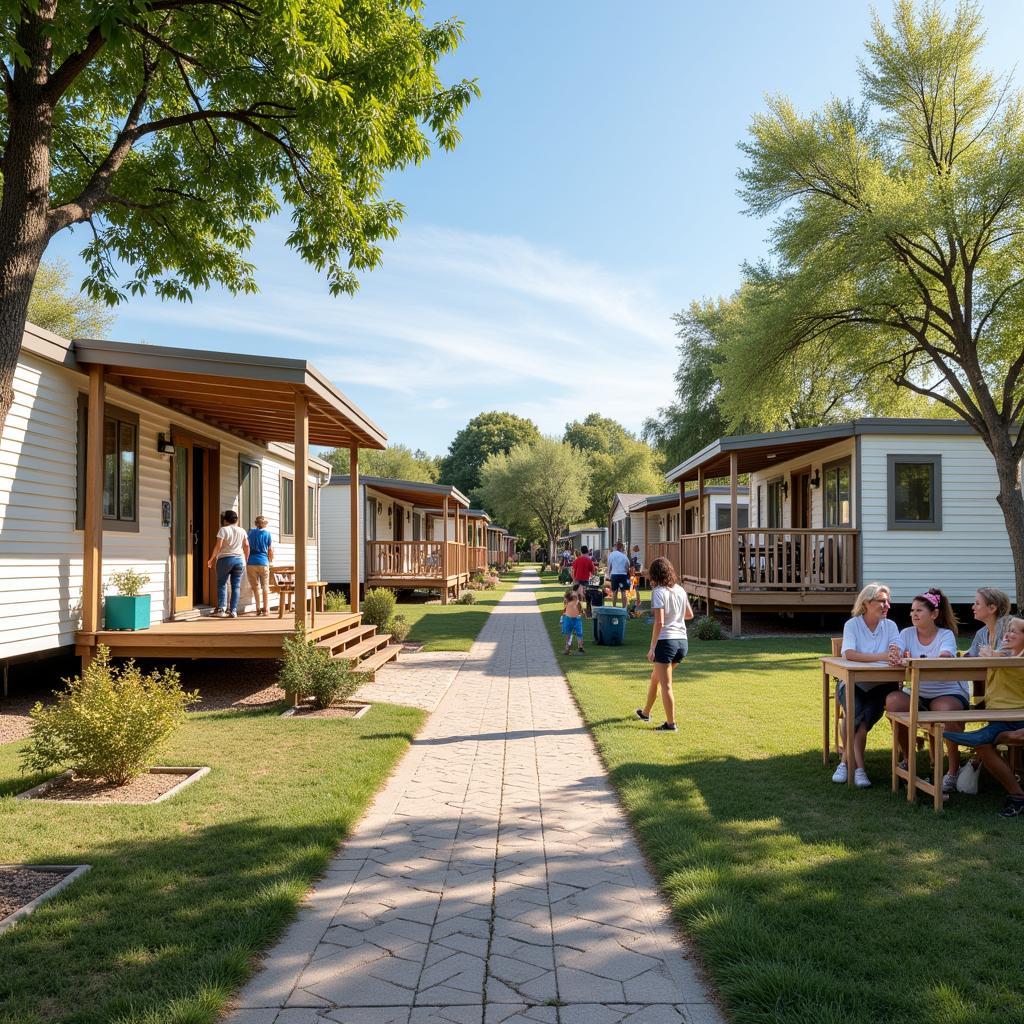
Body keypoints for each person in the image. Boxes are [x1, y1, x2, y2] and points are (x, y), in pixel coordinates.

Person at [885, 587, 967, 794]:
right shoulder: (906, 633)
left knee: (945, 712)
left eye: (919, 610)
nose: (913, 614)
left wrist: (909, 660)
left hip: (947, 691)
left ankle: (952, 771)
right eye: (912, 610)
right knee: (893, 702)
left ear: (934, 614)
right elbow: (895, 653)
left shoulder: (945, 634)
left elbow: (945, 659)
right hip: (919, 693)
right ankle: (908, 761)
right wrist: (895, 656)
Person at [944, 616, 1024, 817]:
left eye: (1014, 631)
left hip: (1018, 717)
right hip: (998, 718)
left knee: (993, 738)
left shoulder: (1014, 658)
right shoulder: (1004, 655)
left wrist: (994, 656)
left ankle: (1016, 796)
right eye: (1008, 630)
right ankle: (1018, 796)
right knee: (982, 745)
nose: (1007, 634)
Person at [831, 582, 901, 788]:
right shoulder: (852, 624)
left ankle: (846, 763)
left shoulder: (891, 626)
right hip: (853, 684)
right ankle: (859, 769)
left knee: (859, 718)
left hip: (882, 686)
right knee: (856, 714)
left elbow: (896, 651)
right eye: (881, 601)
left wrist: (890, 655)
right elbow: (849, 654)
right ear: (867, 603)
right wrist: (882, 656)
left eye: (888, 601)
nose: (886, 605)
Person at [635, 556, 693, 732]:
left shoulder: (658, 592)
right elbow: (689, 614)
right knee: (655, 678)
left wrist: (652, 647)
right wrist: (675, 616)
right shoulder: (680, 590)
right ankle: (646, 713)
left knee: (666, 685)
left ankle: (671, 724)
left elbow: (659, 622)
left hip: (666, 642)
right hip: (682, 643)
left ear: (654, 574)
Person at [207, 509, 249, 618]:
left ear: (225, 520)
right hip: (239, 560)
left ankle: (221, 609)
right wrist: (246, 559)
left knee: (222, 583)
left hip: (225, 559)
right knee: (236, 586)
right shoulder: (242, 530)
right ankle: (233, 611)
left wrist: (212, 558)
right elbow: (246, 545)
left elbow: (218, 546)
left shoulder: (223, 530)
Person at [967, 587, 1012, 656]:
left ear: (992, 608)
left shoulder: (1009, 631)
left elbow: (1008, 655)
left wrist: (993, 654)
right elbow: (970, 656)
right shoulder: (981, 633)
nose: (973, 607)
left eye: (977, 603)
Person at [246, 515, 275, 616]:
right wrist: (270, 560)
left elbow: (247, 546)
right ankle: (266, 609)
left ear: (256, 523)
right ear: (265, 524)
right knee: (265, 586)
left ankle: (258, 608)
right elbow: (270, 549)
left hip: (251, 562)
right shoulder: (267, 534)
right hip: (263, 561)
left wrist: (246, 559)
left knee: (255, 587)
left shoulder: (250, 533)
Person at [606, 541, 631, 608]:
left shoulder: (611, 554)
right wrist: (626, 571)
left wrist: (608, 575)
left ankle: (614, 607)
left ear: (615, 547)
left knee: (614, 592)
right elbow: (628, 565)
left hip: (614, 575)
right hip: (623, 575)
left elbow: (609, 566)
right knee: (623, 592)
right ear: (621, 548)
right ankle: (624, 608)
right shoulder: (624, 555)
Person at [561, 587, 585, 655]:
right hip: (568, 619)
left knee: (579, 633)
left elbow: (580, 609)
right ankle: (567, 647)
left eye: (576, 596)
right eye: (575, 596)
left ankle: (580, 647)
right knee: (569, 634)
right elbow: (565, 607)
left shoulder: (577, 602)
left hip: (576, 619)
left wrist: (580, 613)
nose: (576, 597)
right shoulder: (567, 602)